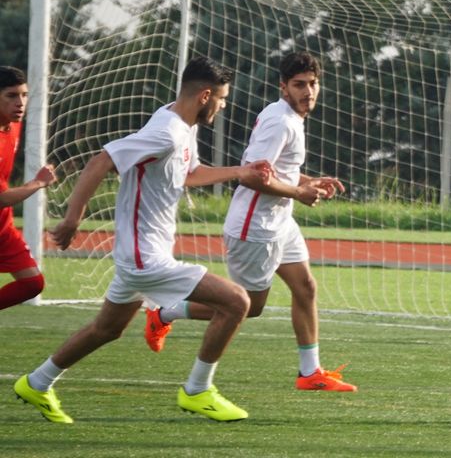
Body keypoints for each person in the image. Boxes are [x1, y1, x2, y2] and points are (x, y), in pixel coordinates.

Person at [13, 57, 272, 424]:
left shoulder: (181, 125)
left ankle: (37, 382)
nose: (223, 106)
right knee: (237, 301)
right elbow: (100, 162)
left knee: (107, 329)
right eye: (223, 99)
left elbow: (190, 174)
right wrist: (72, 219)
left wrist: (241, 171)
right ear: (205, 95)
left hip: (139, 254)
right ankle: (198, 391)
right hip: (144, 257)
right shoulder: (165, 130)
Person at [144, 51, 357, 392]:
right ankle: (164, 313)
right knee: (249, 307)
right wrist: (298, 193)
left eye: (313, 84)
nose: (308, 92)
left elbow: (275, 170)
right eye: (299, 85)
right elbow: (251, 176)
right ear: (283, 87)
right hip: (254, 228)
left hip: (280, 222)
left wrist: (307, 181)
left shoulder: (289, 117)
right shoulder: (280, 121)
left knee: (306, 287)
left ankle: (309, 372)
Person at [0, 66, 57, 310]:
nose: (20, 103)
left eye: (24, 95)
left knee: (32, 283)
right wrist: (39, 182)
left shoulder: (13, 126)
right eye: (11, 96)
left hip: (3, 227)